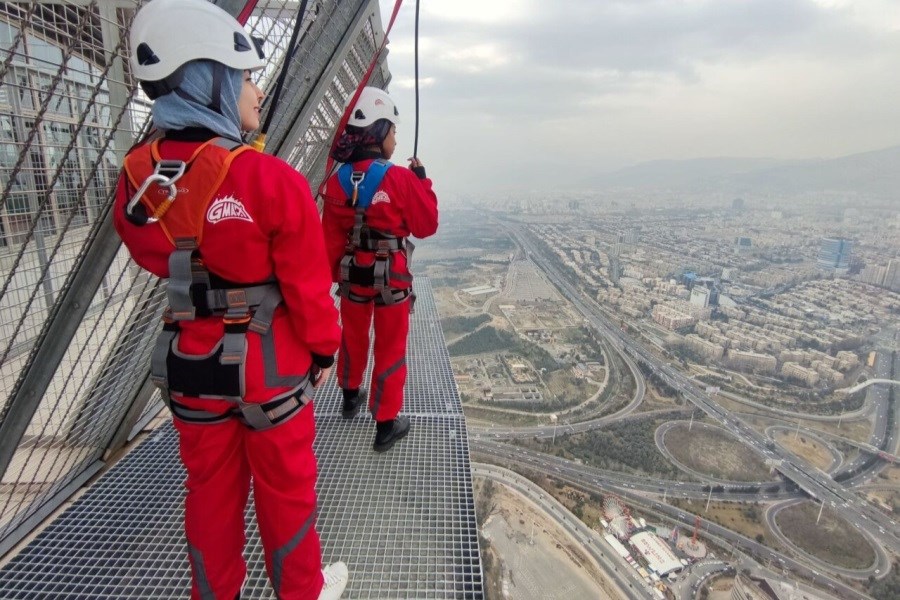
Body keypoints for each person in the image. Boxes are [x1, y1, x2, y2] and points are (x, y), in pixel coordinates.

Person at [114, 1, 347, 598]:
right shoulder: (270, 181)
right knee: (287, 497)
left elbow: (152, 255)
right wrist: (324, 353)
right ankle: (302, 591)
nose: (255, 88)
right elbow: (308, 286)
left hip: (191, 370)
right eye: (242, 76)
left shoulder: (137, 184)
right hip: (271, 376)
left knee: (210, 499)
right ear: (208, 78)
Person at [321, 87, 439, 452]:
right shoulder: (400, 179)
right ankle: (385, 423)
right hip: (392, 279)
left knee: (353, 336)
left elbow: (330, 242)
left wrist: (334, 277)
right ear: (378, 130)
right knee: (389, 347)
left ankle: (349, 396)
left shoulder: (336, 182)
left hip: (353, 277)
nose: (395, 138)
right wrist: (422, 180)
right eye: (392, 131)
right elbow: (426, 224)